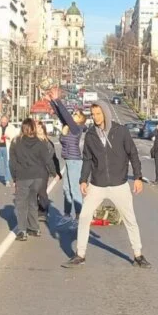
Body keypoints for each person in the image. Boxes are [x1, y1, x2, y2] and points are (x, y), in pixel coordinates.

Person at [62, 100, 149, 269]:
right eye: (93, 115)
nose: (95, 118)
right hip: (97, 184)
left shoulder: (121, 131)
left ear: (106, 113)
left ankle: (138, 255)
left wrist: (138, 177)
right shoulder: (91, 135)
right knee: (85, 217)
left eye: (98, 114)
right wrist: (83, 180)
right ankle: (80, 254)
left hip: (119, 184)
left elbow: (133, 154)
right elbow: (87, 159)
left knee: (130, 219)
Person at [10, 118, 55, 241]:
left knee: (21, 204)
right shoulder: (40, 142)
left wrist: (14, 177)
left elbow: (12, 162)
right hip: (38, 177)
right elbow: (47, 159)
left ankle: (22, 231)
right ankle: (34, 228)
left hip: (23, 176)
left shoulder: (16, 142)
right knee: (32, 202)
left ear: (23, 128)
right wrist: (54, 172)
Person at [48, 89, 86, 220]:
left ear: (80, 120)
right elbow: (61, 115)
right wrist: (51, 102)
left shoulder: (76, 128)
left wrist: (58, 100)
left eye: (76, 114)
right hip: (69, 160)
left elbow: (66, 116)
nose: (73, 114)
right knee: (66, 189)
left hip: (75, 161)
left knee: (74, 189)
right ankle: (67, 213)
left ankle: (79, 214)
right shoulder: (69, 126)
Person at [34, 120, 59, 214]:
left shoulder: (48, 143)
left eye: (40, 127)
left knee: (41, 191)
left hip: (44, 170)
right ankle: (35, 209)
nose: (39, 129)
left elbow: (51, 159)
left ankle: (43, 209)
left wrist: (55, 172)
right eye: (37, 127)